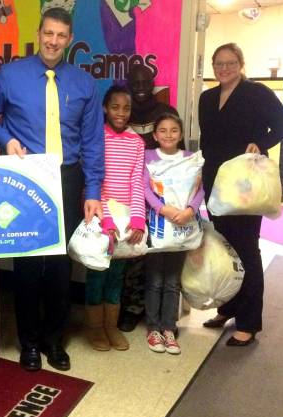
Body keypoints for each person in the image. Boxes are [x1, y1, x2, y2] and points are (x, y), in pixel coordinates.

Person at [0, 7, 104, 371]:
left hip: (68, 177)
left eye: (61, 35)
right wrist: (6, 139)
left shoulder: (83, 83)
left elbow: (93, 140)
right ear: (39, 33)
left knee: (61, 265)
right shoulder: (11, 75)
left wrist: (92, 189)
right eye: (49, 33)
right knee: (29, 263)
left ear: (69, 39)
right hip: (26, 177)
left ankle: (54, 340)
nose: (54, 41)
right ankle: (29, 342)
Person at [199, 43, 283, 346]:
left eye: (230, 62)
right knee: (223, 248)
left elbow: (281, 126)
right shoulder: (207, 98)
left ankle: (249, 322)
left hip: (244, 186)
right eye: (219, 63)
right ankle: (228, 307)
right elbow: (207, 141)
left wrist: (259, 143)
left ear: (240, 63)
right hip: (215, 181)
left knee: (246, 249)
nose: (224, 68)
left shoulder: (257, 93)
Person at [118, 64, 181, 333]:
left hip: (161, 195)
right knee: (132, 253)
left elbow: (180, 155)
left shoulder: (166, 113)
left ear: (153, 82)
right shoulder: (122, 113)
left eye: (146, 82)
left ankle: (156, 312)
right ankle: (131, 308)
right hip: (129, 191)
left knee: (157, 254)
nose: (141, 88)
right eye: (135, 83)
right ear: (129, 84)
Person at [83, 86, 144, 352]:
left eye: (126, 108)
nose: (121, 113)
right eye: (115, 107)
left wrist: (138, 220)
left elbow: (137, 184)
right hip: (98, 216)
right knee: (97, 273)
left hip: (124, 221)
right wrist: (104, 221)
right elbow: (92, 182)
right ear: (105, 109)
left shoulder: (137, 143)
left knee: (117, 275)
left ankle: (111, 326)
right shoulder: (95, 139)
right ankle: (95, 328)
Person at [143, 113, 204, 355]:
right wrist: (162, 208)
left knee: (172, 281)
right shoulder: (148, 156)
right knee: (155, 280)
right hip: (159, 226)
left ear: (181, 135)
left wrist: (190, 210)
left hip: (183, 227)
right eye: (163, 130)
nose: (169, 135)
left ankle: (169, 327)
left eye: (174, 130)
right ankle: (153, 328)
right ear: (155, 135)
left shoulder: (191, 158)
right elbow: (144, 187)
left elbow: (200, 188)